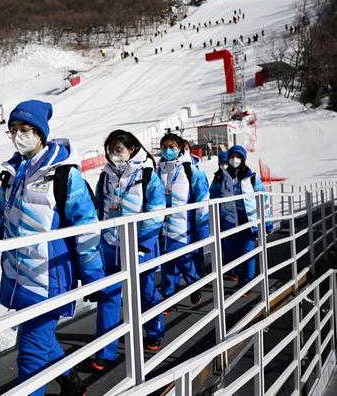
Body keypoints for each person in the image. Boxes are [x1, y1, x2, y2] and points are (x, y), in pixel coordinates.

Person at [0, 100, 104, 396]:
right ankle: (71, 381)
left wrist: (94, 278)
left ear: (40, 132)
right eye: (13, 129)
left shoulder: (64, 174)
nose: (18, 135)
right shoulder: (12, 175)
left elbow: (86, 229)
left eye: (25, 129)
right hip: (17, 276)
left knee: (30, 352)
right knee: (39, 340)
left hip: (49, 278)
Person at [90, 130, 165, 371]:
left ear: (132, 149)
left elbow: (157, 212)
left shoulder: (147, 174)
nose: (114, 153)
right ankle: (105, 351)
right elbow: (98, 209)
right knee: (109, 297)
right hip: (111, 246)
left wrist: (142, 244)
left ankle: (154, 331)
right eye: (111, 149)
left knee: (146, 293)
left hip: (140, 247)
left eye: (118, 149)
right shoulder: (106, 175)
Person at [157, 134, 209, 310]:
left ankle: (195, 284)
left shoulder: (190, 169)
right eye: (164, 147)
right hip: (162, 225)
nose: (167, 150)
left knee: (184, 259)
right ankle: (169, 298)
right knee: (166, 263)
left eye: (171, 146)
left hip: (183, 224)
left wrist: (202, 227)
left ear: (179, 148)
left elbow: (203, 198)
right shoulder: (158, 170)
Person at [209, 145, 272, 290]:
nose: (235, 160)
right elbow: (213, 199)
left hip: (248, 221)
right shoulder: (220, 178)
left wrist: (267, 222)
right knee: (231, 254)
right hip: (229, 221)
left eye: (238, 157)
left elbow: (263, 200)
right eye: (232, 157)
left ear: (243, 159)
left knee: (247, 252)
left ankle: (246, 284)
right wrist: (214, 222)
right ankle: (238, 272)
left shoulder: (251, 177)